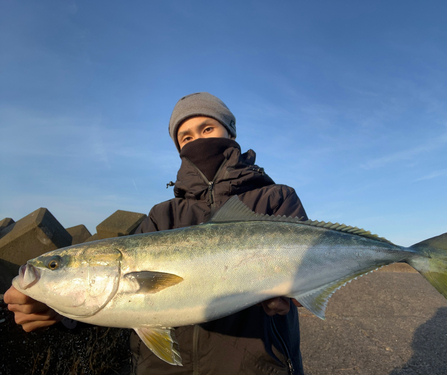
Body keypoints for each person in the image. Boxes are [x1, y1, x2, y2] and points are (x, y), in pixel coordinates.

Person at [5, 92, 308, 374]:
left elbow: (312, 265)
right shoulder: (162, 215)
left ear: (230, 133)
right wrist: (59, 312)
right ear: (178, 148)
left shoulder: (275, 198)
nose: (197, 141)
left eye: (207, 129)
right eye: (185, 137)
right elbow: (114, 302)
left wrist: (298, 292)